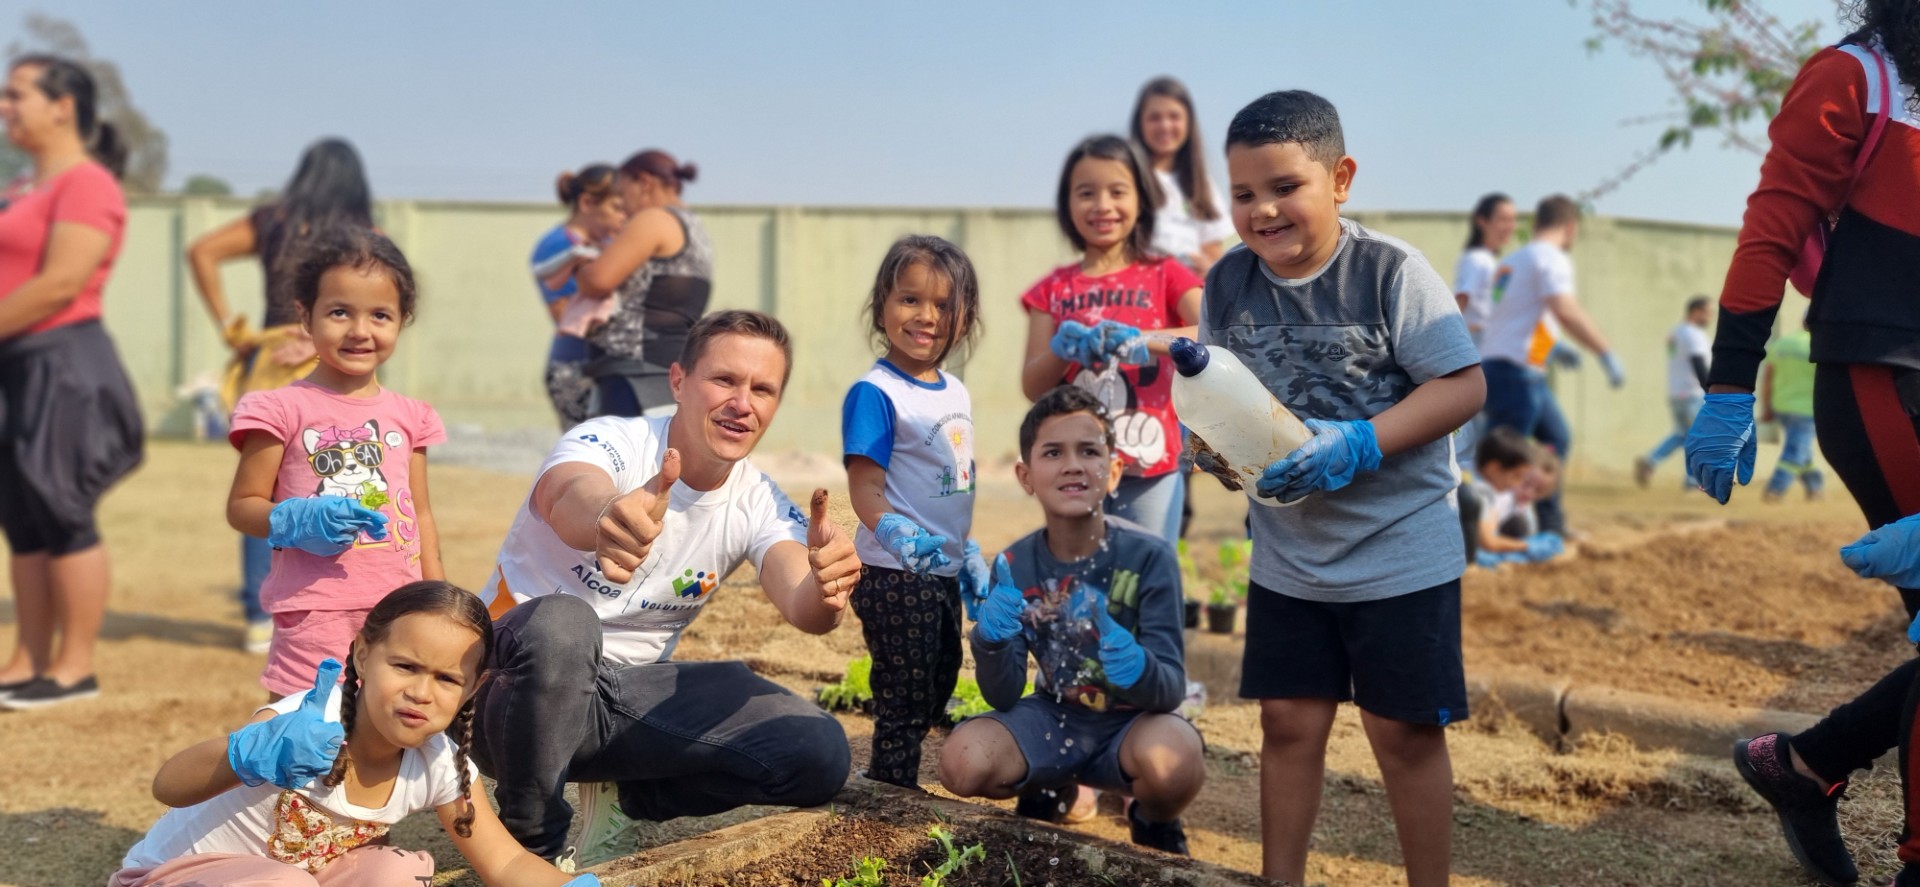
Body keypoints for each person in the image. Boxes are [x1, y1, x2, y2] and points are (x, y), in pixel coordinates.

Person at [1207, 90, 1484, 886]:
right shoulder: (1228, 285)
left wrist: (1361, 441)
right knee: (1288, 722)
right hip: (1291, 554)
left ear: (1341, 179)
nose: (1263, 211)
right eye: (1243, 194)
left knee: (1403, 731)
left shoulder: (1391, 271)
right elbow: (1224, 391)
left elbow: (1461, 387)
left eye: (1285, 186)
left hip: (1401, 548)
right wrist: (1215, 446)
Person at [472, 310, 862, 867]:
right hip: (506, 696)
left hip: (621, 703)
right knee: (563, 623)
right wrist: (608, 515)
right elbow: (566, 495)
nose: (742, 402)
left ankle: (630, 798)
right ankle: (530, 852)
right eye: (724, 380)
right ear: (678, 380)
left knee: (815, 752)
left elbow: (802, 600)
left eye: (763, 389)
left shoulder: (760, 501)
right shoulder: (610, 440)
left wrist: (827, 589)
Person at [1684, 5, 1920, 883]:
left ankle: (1807, 764)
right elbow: (1772, 232)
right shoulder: (1858, 77)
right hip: (1883, 372)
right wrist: (1728, 389)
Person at [111, 582, 603, 887]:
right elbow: (168, 787)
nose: (421, 692)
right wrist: (245, 753)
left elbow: (506, 865)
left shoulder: (442, 766)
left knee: (393, 875)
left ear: (474, 687)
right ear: (363, 654)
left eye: (447, 679)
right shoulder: (303, 725)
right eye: (405, 666)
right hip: (170, 878)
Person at [937, 385, 1202, 856]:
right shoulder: (1016, 564)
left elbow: (1170, 689)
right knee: (961, 761)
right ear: (1026, 475)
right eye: (1053, 452)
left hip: (1131, 726)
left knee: (1176, 762)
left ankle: (1152, 818)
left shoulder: (1150, 557)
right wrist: (991, 642)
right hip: (1054, 718)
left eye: (1090, 451)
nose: (1073, 464)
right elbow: (1002, 695)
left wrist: (1135, 666)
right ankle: (1047, 783)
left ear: (1115, 471)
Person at [225, 226, 445, 699]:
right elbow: (242, 506)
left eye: (380, 315)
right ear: (306, 316)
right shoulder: (277, 410)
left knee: (386, 734)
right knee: (301, 735)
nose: (360, 331)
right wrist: (294, 517)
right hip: (315, 610)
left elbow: (420, 514)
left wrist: (437, 599)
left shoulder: (412, 417)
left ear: (403, 320)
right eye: (339, 312)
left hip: (398, 610)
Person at [187, 137, 375, 654]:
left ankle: (256, 613)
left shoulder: (273, 220)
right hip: (331, 358)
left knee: (261, 485)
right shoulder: (365, 234)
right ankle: (330, 602)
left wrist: (231, 326)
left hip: (269, 359)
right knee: (336, 479)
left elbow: (200, 250)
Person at [0, 54, 143, 710]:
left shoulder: (87, 184)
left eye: (16, 93)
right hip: (19, 360)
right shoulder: (25, 187)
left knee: (61, 508)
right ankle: (25, 659)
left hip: (63, 362)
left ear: (63, 106)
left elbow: (60, 283)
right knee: (23, 515)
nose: (5, 106)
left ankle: (73, 667)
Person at [840, 235, 988, 788]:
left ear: (965, 315)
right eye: (910, 299)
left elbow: (951, 480)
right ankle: (890, 792)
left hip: (941, 570)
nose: (926, 316)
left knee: (939, 679)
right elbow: (865, 488)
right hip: (894, 571)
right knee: (903, 695)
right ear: (883, 304)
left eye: (944, 304)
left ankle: (893, 779)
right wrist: (897, 533)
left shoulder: (956, 390)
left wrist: (965, 549)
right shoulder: (875, 393)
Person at [1020, 134, 1202, 543]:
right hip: (1075, 471)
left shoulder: (1167, 274)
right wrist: (1059, 352)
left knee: (1147, 578)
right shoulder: (1049, 291)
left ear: (1142, 198)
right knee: (1081, 580)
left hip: (1151, 466)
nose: (1102, 205)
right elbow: (1033, 386)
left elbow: (1215, 332)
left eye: (1117, 191)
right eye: (1086, 193)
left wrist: (1145, 338)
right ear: (1067, 203)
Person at [1479, 194, 1626, 536]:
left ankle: (1549, 525)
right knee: (1504, 458)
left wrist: (1552, 347)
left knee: (1554, 438)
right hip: (1516, 374)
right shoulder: (1551, 258)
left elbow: (1517, 316)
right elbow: (1564, 308)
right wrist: (1604, 351)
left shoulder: (1512, 262)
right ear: (1570, 227)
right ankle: (1486, 532)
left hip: (1509, 368)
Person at [572, 149, 712, 419]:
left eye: (623, 194)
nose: (622, 207)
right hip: (667, 365)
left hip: (634, 371)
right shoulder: (695, 227)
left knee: (623, 458)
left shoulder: (654, 219)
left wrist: (580, 267)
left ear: (645, 184)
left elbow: (599, 280)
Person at [530, 163, 625, 429]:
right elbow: (561, 311)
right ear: (586, 203)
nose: (623, 217)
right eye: (616, 208)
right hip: (576, 368)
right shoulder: (559, 246)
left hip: (602, 367)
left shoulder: (603, 244)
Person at [1131, 76, 1234, 276]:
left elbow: (1212, 250)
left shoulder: (1202, 184)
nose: (1165, 126)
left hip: (1188, 294)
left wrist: (1207, 272)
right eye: (1154, 118)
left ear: (1188, 122)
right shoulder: (1127, 177)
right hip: (1138, 293)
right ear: (1139, 123)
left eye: (1174, 116)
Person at [1451, 193, 1518, 475]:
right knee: (1484, 424)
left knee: (1476, 428)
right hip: (1479, 347)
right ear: (1482, 221)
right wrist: (1446, 342)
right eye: (1502, 219)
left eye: (1512, 220)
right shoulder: (1478, 260)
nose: (1509, 226)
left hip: (1490, 347)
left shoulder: (1490, 263)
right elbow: (1461, 302)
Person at [1634, 296, 1713, 489]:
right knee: (1699, 437)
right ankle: (1693, 481)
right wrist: (1710, 390)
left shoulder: (1675, 333)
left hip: (1676, 392)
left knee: (1682, 435)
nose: (1710, 317)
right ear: (1696, 312)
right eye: (1708, 312)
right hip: (1692, 392)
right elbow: (1698, 363)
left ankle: (1650, 460)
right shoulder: (1693, 334)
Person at [1467, 428, 1563, 568]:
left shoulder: (1486, 492)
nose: (1515, 484)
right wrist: (1527, 545)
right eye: (1516, 476)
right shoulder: (1482, 492)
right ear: (1494, 469)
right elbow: (1489, 542)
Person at [1759, 315, 1824, 502]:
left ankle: (1815, 488)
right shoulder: (1819, 347)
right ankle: (1775, 490)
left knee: (1801, 448)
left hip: (1782, 407)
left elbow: (1767, 378)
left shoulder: (1782, 344)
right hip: (1807, 409)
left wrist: (1766, 407)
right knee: (1796, 450)